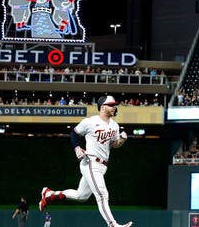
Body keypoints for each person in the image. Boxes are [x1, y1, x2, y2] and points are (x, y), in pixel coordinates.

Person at [38, 95, 132, 227]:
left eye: (114, 104)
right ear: (102, 107)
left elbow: (114, 145)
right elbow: (74, 133)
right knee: (102, 195)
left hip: (103, 166)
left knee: (81, 196)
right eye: (111, 105)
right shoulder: (90, 121)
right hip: (90, 162)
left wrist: (121, 140)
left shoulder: (115, 126)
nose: (114, 107)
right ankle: (113, 225)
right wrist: (77, 148)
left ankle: (49, 194)